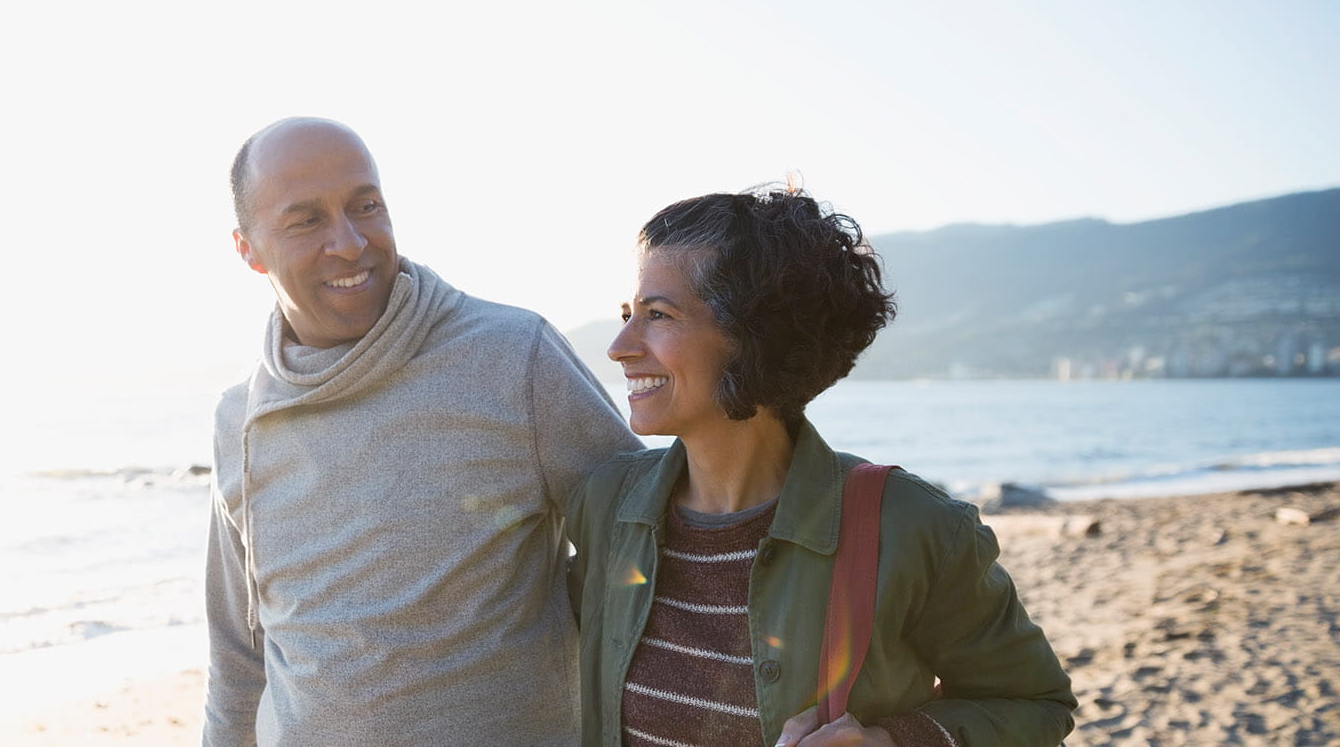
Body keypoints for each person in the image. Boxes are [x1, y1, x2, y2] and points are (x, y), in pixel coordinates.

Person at [567, 190, 1076, 747]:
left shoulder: (914, 528)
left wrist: (892, 741)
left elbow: (1035, 705)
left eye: (657, 315)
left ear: (754, 334)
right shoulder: (605, 503)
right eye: (627, 315)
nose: (618, 347)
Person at [204, 117, 643, 747]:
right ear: (248, 248)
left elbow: (644, 550)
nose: (351, 243)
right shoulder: (236, 419)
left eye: (367, 206)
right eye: (307, 219)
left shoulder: (513, 357)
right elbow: (237, 653)